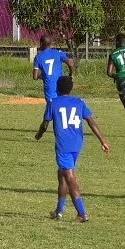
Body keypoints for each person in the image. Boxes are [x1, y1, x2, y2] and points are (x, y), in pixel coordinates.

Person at [35, 76, 110, 222]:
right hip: (77, 144)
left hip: (63, 145)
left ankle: (82, 213)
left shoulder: (53, 103)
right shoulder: (78, 102)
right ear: (71, 89)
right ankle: (58, 211)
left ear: (57, 88)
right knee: (62, 174)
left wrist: (39, 135)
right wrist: (103, 141)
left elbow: (45, 124)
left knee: (69, 177)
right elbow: (91, 122)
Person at [33, 35, 74, 105]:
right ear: (50, 44)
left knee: (52, 106)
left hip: (49, 85)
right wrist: (71, 74)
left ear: (41, 44)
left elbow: (35, 76)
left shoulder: (38, 57)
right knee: (62, 104)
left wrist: (42, 77)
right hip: (60, 84)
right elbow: (70, 63)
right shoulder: (58, 53)